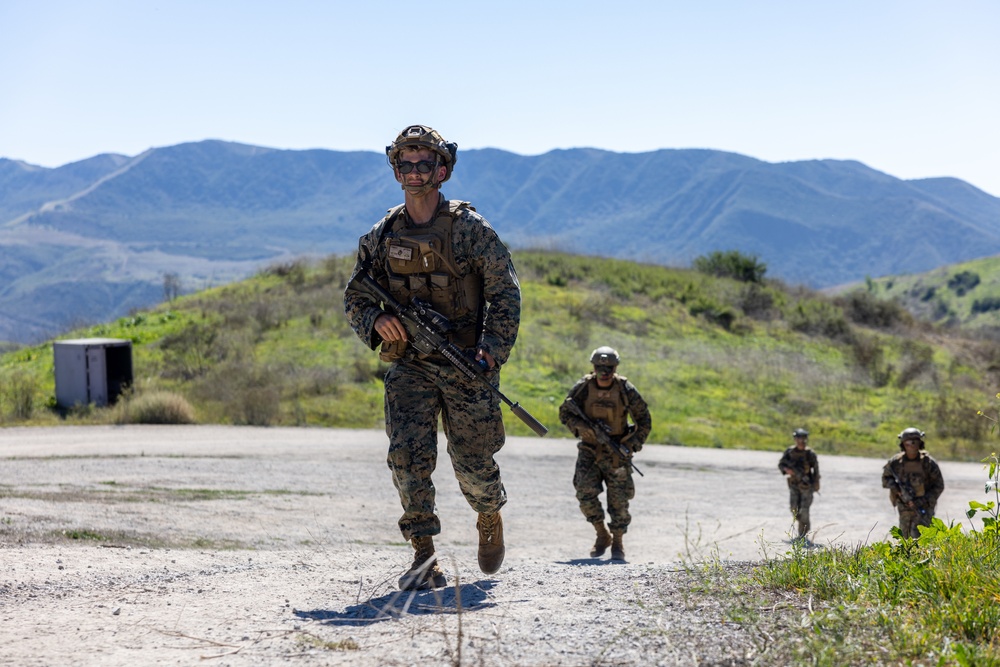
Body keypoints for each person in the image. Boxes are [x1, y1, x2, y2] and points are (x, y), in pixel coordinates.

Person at [343, 125, 522, 590]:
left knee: (474, 463)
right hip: (411, 366)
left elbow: (505, 295)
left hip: (466, 363)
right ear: (396, 169)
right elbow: (356, 295)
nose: (415, 171)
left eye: (425, 163)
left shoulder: (470, 231)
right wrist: (376, 323)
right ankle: (424, 556)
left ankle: (488, 514)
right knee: (407, 458)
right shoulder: (382, 235)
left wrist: (489, 352)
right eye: (406, 163)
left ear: (442, 170)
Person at [558, 346, 651, 561]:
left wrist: (631, 445)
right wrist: (582, 428)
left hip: (616, 451)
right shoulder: (583, 387)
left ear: (615, 368)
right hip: (589, 450)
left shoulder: (625, 389)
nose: (604, 372)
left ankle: (617, 541)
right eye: (600, 367)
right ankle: (602, 534)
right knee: (584, 493)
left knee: (619, 500)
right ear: (594, 367)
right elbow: (565, 413)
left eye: (609, 367)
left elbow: (644, 420)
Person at [881, 427, 945, 538]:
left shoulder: (928, 463)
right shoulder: (896, 462)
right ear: (903, 444)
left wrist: (922, 500)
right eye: (908, 443)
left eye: (915, 442)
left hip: (924, 507)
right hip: (904, 506)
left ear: (920, 443)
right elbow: (886, 479)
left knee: (922, 538)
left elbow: (939, 485)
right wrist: (898, 490)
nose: (912, 445)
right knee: (905, 538)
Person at [777, 428, 820, 541]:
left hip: (806, 486)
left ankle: (802, 534)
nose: (801, 441)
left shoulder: (810, 454)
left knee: (804, 510)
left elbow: (816, 470)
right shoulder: (790, 452)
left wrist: (816, 484)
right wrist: (787, 470)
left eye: (803, 438)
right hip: (794, 485)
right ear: (795, 439)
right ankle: (803, 526)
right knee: (794, 509)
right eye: (799, 438)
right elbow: (781, 464)